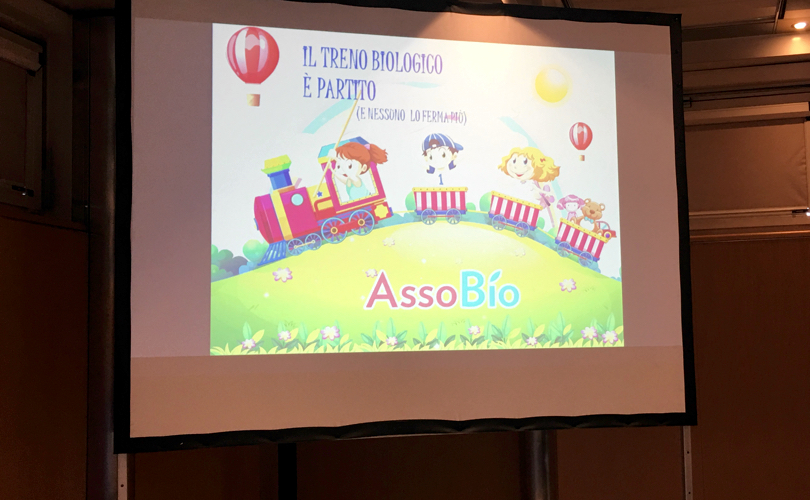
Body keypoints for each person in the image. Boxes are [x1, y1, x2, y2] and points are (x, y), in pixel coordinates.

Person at [497, 146, 561, 227]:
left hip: (526, 210)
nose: (517, 167)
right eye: (514, 161)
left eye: (525, 162)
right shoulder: (513, 183)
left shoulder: (532, 184)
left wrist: (542, 193)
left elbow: (537, 194)